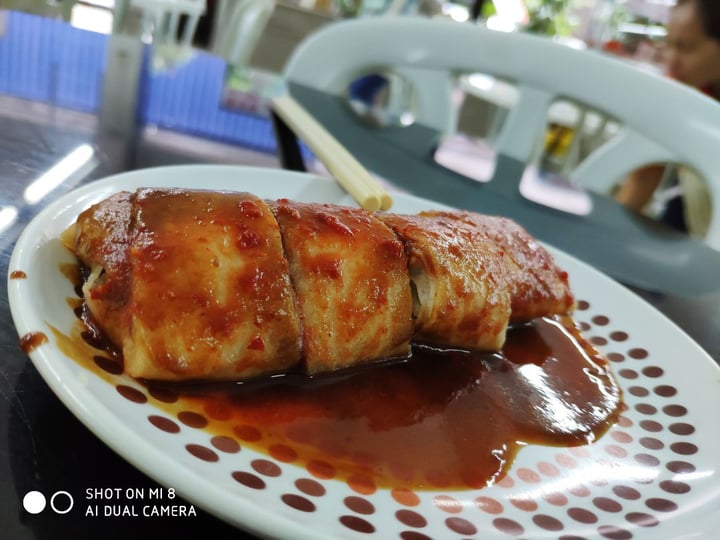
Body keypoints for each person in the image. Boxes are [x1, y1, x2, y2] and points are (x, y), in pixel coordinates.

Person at [614, 0, 720, 237]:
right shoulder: (690, 99)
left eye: (686, 47)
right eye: (668, 45)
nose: (671, 60)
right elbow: (642, 180)